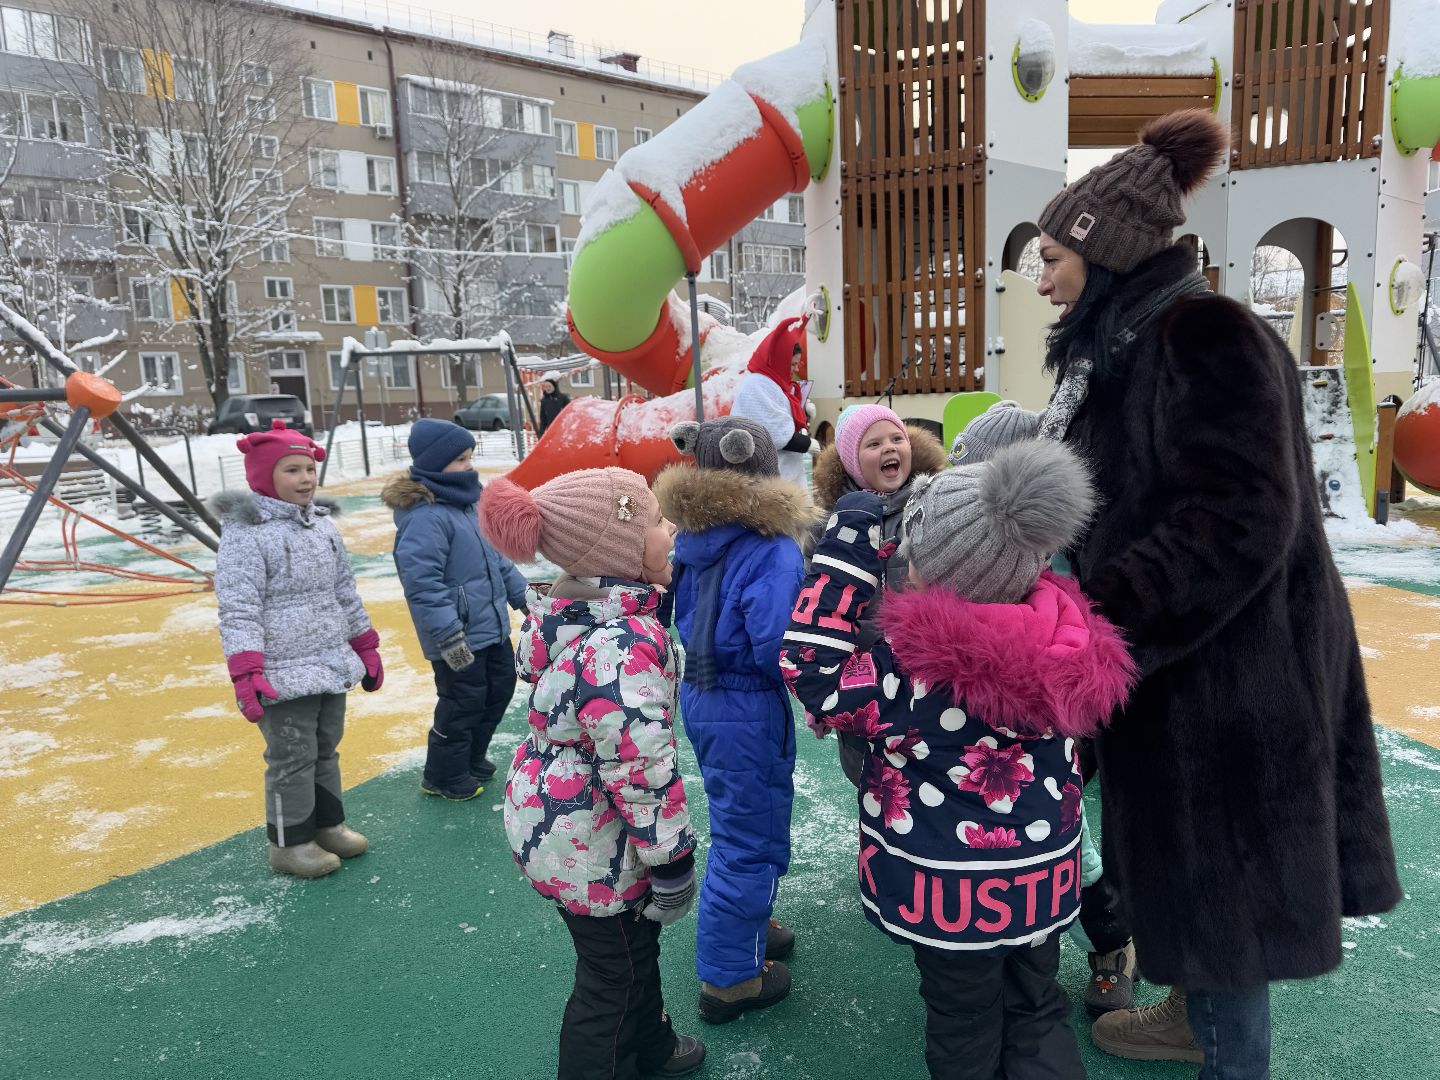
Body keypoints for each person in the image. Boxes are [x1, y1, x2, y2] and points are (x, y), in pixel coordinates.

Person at [1033, 108, 1402, 1073]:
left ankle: (1227, 1053)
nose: (1040, 276)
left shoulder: (1201, 335)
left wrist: (1101, 614)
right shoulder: (1130, 341)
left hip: (1235, 675)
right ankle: (1192, 1009)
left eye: (1052, 256)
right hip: (1186, 665)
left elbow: (1237, 519)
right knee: (1190, 874)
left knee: (1225, 888)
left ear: (1103, 251)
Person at [782, 441, 1136, 1080]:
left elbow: (809, 667)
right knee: (1036, 1008)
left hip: (950, 889)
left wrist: (846, 556)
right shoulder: (1065, 634)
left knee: (963, 1025)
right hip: (1039, 877)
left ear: (929, 571)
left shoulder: (911, 668)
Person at [480, 467, 706, 1080]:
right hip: (595, 841)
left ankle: (652, 1049)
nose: (671, 529)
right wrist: (672, 859)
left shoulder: (573, 614)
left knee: (633, 954)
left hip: (561, 820)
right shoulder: (616, 642)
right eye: (658, 521)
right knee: (611, 979)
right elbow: (640, 765)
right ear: (619, 551)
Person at [951, 401, 1138, 1014]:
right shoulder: (970, 545)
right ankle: (1014, 947)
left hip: (1057, 722)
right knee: (1004, 841)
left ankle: (1111, 947)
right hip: (991, 722)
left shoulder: (1068, 555)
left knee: (1074, 847)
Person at [654, 416, 814, 1023]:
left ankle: (752, 924)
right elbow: (779, 643)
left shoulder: (697, 536)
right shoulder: (771, 547)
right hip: (746, 701)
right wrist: (820, 674)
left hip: (704, 692)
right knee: (748, 837)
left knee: (741, 815)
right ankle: (730, 980)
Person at [213, 420, 383, 879]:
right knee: (292, 755)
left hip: (329, 659)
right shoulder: (247, 534)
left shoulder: (322, 528)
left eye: (309, 468)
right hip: (280, 669)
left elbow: (344, 590)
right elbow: (238, 605)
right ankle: (289, 843)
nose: (305, 479)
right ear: (265, 478)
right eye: (291, 470)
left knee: (326, 748)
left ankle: (327, 825)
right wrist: (246, 669)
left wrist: (364, 643)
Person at [382, 418, 527, 801]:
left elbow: (497, 560)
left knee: (498, 690)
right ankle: (443, 774)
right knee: (462, 701)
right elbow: (423, 584)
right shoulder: (425, 517)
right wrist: (447, 634)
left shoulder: (468, 505)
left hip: (490, 627)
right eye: (460, 460)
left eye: (469, 458)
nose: (469, 466)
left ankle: (470, 758)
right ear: (434, 463)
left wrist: (524, 598)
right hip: (456, 635)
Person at [810, 403, 947, 787]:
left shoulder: (932, 508)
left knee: (930, 780)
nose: (889, 447)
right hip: (862, 683)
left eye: (896, 438)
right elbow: (818, 610)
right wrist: (821, 691)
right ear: (851, 461)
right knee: (872, 782)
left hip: (929, 676)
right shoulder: (830, 526)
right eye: (873, 444)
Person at [730, 316, 819, 487]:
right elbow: (775, 433)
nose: (796, 369)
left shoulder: (773, 381)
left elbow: (780, 411)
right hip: (768, 481)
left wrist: (802, 410)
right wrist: (807, 444)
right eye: (792, 364)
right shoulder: (756, 387)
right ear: (779, 360)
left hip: (784, 474)